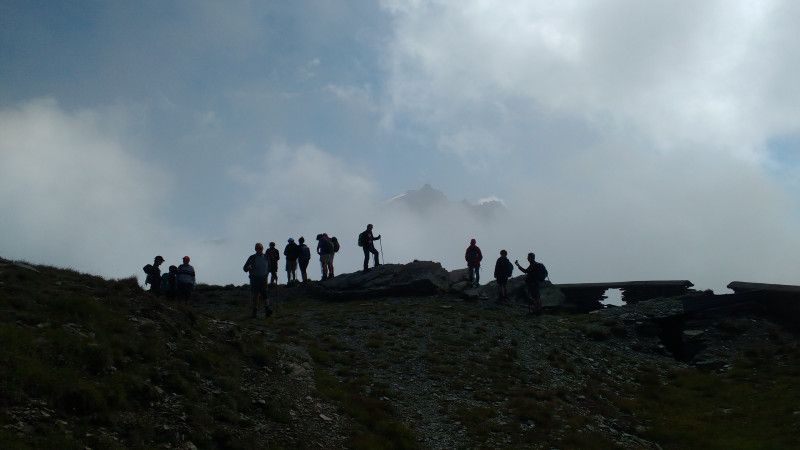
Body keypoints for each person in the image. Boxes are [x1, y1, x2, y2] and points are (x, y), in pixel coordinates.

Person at [243, 243, 272, 318]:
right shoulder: (252, 257)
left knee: (265, 294)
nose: (259, 249)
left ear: (262, 248)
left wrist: (268, 273)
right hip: (255, 278)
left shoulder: (266, 257)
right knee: (256, 295)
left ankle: (267, 310)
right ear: (255, 249)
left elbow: (269, 266)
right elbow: (245, 268)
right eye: (258, 248)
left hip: (263, 278)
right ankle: (254, 312)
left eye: (260, 248)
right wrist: (248, 268)